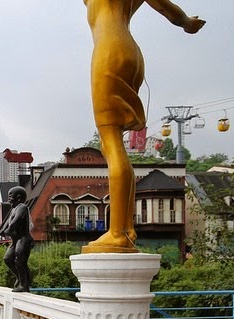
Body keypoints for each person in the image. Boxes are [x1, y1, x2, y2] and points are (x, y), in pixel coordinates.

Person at [84, 0, 204, 252]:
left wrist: (185, 22)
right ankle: (125, 229)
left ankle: (117, 233)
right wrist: (185, 22)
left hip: (108, 51)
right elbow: (164, 6)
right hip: (130, 53)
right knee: (113, 145)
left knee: (110, 141)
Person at [0, 187, 34, 293]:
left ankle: (24, 285)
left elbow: (16, 220)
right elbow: (8, 222)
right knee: (8, 259)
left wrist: (9, 230)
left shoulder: (22, 207)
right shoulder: (14, 209)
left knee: (20, 261)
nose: (8, 199)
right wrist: (2, 230)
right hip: (15, 240)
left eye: (10, 196)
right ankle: (19, 277)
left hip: (23, 239)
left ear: (18, 198)